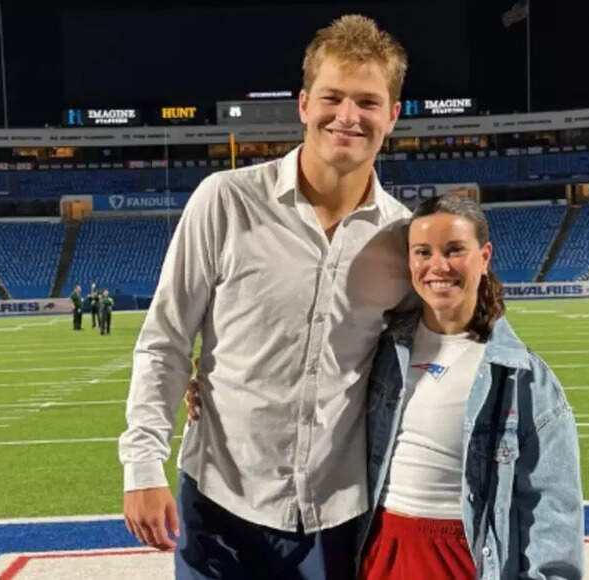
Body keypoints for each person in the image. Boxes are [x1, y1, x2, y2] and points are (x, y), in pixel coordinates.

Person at [120, 14, 412, 579]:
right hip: (221, 505)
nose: (348, 116)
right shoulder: (225, 201)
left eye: (368, 102)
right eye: (332, 96)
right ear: (304, 104)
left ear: (393, 115)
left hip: (340, 517)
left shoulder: (403, 239)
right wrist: (142, 466)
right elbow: (166, 341)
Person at [356, 194, 584, 579]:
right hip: (381, 550)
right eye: (422, 252)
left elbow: (552, 513)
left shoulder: (522, 377)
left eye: (455, 250)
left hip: (463, 559)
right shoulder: (381, 352)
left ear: (485, 256)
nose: (437, 266)